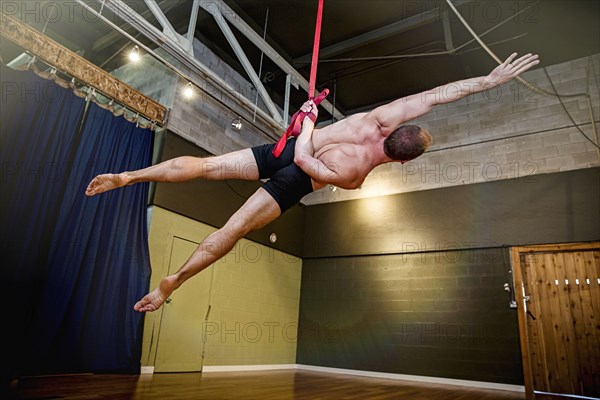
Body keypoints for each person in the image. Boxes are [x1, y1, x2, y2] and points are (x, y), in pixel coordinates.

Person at [86, 52, 539, 312]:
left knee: (206, 166)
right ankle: (173, 283)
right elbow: (309, 167)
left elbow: (438, 95)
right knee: (232, 230)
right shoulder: (356, 177)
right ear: (401, 161)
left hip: (290, 152)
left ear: (394, 129)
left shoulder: (378, 118)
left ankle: (131, 175)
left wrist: (307, 120)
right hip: (297, 182)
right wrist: (491, 83)